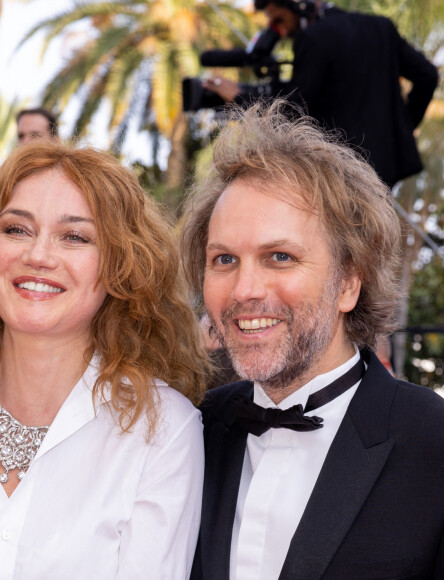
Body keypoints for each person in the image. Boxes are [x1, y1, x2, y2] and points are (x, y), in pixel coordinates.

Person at [0, 142, 207, 579]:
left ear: (120, 267)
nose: (39, 255)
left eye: (75, 237)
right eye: (17, 230)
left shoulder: (162, 430)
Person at [181, 101, 444, 579]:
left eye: (279, 257)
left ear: (348, 283)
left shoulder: (434, 442)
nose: (244, 291)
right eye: (223, 260)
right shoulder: (187, 433)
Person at [201, 0, 438, 187]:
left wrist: (238, 97)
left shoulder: (313, 39)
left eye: (279, 20)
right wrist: (403, 127)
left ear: (298, 4)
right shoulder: (380, 27)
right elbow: (427, 75)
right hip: (385, 171)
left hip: (340, 171)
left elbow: (294, 110)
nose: (281, 31)